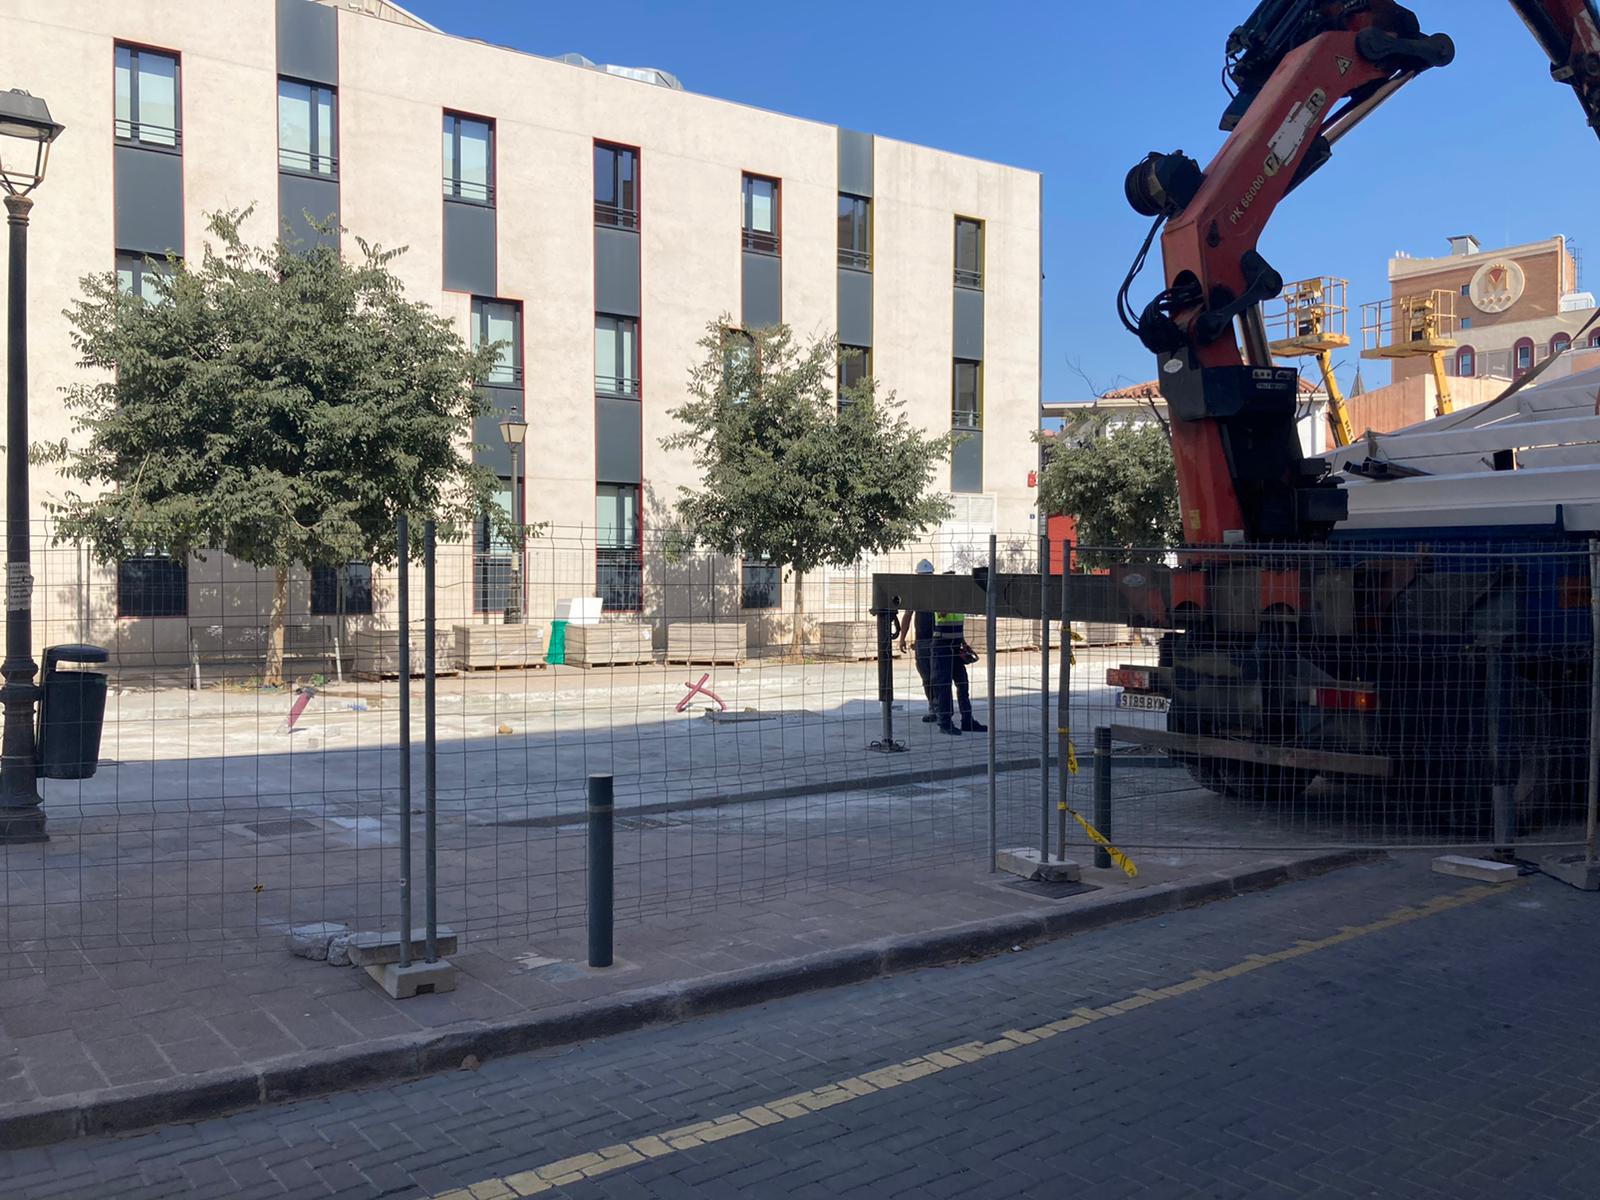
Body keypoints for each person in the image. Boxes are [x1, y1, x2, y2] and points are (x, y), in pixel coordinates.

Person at [929, 570, 986, 736]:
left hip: (955, 646)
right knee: (944, 686)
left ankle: (967, 720)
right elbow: (942, 613)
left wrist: (963, 643)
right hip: (941, 646)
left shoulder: (959, 600)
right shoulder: (940, 598)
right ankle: (944, 722)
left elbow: (958, 624)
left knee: (963, 684)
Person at [898, 559, 938, 723]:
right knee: (929, 678)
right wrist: (902, 638)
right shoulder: (915, 595)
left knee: (936, 677)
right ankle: (934, 708)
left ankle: (939, 709)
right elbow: (907, 616)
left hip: (936, 641)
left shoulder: (939, 592)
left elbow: (907, 617)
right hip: (924, 642)